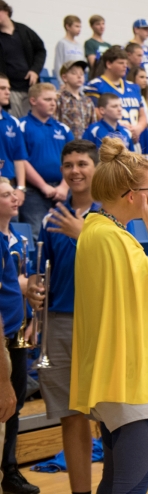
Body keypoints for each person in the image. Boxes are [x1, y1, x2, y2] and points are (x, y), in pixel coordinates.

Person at [71, 137, 148, 494]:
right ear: (133, 195)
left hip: (121, 376)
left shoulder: (98, 229)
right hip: (131, 381)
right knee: (130, 487)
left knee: (114, 482)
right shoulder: (113, 239)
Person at [22, 140, 100, 494]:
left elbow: (122, 267)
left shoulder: (111, 213)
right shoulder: (51, 219)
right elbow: (44, 275)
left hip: (102, 322)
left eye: (82, 163)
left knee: (110, 416)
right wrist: (36, 301)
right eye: (68, 165)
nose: (75, 171)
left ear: (95, 168)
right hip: (61, 323)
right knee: (71, 415)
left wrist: (84, 235)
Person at [0, 177, 37, 494]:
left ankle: (9, 468)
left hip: (17, 330)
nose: (14, 198)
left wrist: (33, 320)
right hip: (1, 333)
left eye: (14, 192)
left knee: (15, 403)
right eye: (5, 195)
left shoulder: (19, 239)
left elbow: (25, 285)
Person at [18, 83, 74, 235]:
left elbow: (74, 160)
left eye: (54, 100)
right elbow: (20, 160)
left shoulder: (63, 128)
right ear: (33, 101)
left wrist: (64, 186)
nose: (53, 103)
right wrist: (43, 186)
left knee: (65, 236)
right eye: (47, 99)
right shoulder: (21, 126)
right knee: (36, 234)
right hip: (33, 192)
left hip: (63, 191)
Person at [84, 47, 148, 155]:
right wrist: (119, 126)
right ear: (109, 64)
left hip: (136, 138)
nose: (125, 66)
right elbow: (96, 112)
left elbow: (143, 115)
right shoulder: (95, 85)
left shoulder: (133, 87)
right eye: (120, 63)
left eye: (126, 63)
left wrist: (138, 128)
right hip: (111, 137)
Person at [0, 0, 46, 119]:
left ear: (5, 11)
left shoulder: (23, 30)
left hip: (29, 86)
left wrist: (35, 70)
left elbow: (41, 50)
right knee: (14, 121)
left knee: (31, 121)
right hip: (10, 88)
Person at [0, 75, 27, 198]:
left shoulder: (13, 122)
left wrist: (20, 188)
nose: (8, 92)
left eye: (8, 89)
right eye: (2, 88)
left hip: (8, 186)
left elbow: (18, 157)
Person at [55, 60, 94, 139]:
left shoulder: (88, 101)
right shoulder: (58, 97)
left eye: (82, 74)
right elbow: (54, 122)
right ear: (64, 77)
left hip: (84, 145)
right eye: (74, 73)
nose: (79, 76)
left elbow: (92, 125)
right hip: (64, 144)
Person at [53, 15, 85, 79]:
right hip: (67, 80)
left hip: (78, 80)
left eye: (80, 27)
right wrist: (61, 82)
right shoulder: (62, 43)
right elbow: (58, 64)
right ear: (67, 26)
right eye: (76, 26)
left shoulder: (79, 45)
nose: (79, 29)